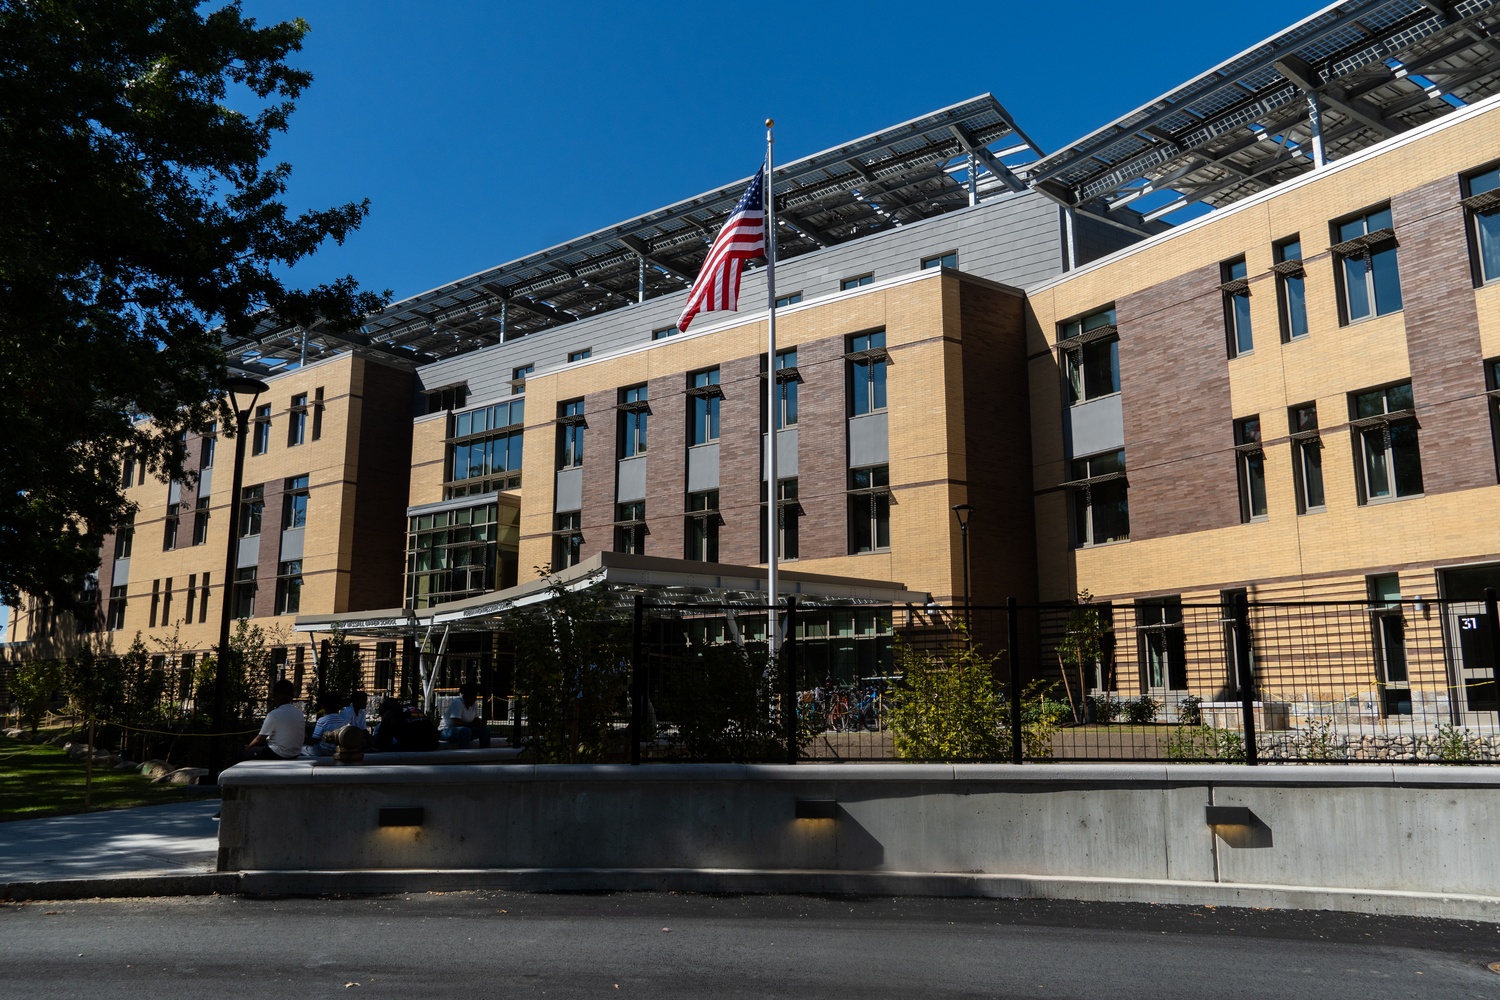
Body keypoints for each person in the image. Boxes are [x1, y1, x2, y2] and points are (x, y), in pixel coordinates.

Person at [246, 679, 306, 760]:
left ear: (276, 695)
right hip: (295, 754)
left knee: (243, 754)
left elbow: (259, 739)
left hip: (278, 753)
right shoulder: (298, 713)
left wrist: (247, 749)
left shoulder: (274, 714)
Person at [370, 698, 440, 752]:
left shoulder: (390, 713)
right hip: (433, 743)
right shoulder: (412, 708)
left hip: (414, 745)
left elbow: (382, 741)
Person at [440, 682, 490, 748]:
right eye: (471, 698)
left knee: (485, 729)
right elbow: (456, 723)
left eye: (475, 698)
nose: (473, 701)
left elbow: (475, 719)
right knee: (465, 731)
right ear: (466, 697)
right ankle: (463, 754)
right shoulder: (457, 703)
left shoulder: (474, 704)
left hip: (466, 730)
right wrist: (473, 724)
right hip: (447, 731)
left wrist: (481, 723)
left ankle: (485, 752)